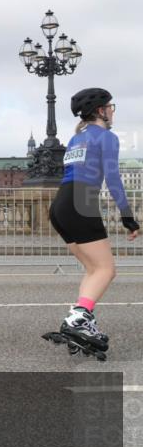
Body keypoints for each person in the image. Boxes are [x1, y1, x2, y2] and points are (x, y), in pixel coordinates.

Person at [48, 88, 139, 352]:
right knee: (106, 270)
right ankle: (78, 319)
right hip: (82, 202)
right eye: (110, 106)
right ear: (100, 111)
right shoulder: (106, 136)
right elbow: (112, 180)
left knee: (93, 269)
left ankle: (80, 321)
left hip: (61, 205)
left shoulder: (77, 138)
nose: (112, 110)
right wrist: (128, 217)